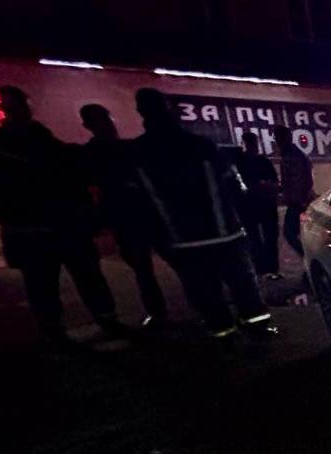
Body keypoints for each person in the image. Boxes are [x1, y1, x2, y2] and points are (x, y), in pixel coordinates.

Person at [0, 86, 119, 342]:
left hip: (43, 227)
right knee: (61, 281)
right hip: (44, 227)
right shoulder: (8, 143)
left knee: (56, 282)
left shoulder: (3, 143)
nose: (21, 112)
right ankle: (82, 324)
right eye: (15, 107)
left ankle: (73, 327)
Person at [130, 88, 276, 339]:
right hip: (224, 235)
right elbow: (235, 186)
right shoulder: (202, 146)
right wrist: (242, 221)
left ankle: (224, 334)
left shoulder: (138, 153)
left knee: (205, 292)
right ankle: (258, 329)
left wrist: (159, 239)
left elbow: (137, 203)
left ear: (141, 112)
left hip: (182, 241)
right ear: (169, 109)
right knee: (243, 286)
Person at [79, 103, 167, 326]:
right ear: (88, 125)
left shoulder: (129, 148)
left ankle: (166, 311)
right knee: (143, 269)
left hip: (150, 214)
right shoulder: (92, 155)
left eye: (107, 118)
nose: (107, 124)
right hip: (127, 219)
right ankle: (158, 312)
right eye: (99, 120)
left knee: (170, 262)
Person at [236, 132, 282, 280]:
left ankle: (267, 270)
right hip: (254, 206)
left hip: (260, 205)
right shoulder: (245, 162)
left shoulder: (258, 161)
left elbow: (275, 183)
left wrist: (265, 185)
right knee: (259, 239)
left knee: (265, 238)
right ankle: (266, 270)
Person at [272, 124, 312, 260]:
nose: (277, 142)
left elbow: (297, 180)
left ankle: (309, 260)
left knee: (290, 233)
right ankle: (309, 262)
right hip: (299, 201)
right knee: (298, 234)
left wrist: (298, 200)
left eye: (278, 138)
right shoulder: (293, 155)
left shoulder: (292, 157)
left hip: (298, 202)